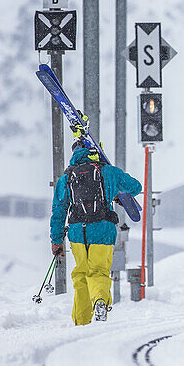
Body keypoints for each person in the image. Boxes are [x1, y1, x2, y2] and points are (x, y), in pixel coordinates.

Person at [49, 139, 142, 325]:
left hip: (77, 232)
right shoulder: (109, 172)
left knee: (81, 275)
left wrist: (56, 240)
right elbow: (136, 187)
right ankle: (99, 300)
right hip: (102, 230)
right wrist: (115, 190)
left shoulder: (66, 178)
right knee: (98, 271)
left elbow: (58, 210)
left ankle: (82, 321)